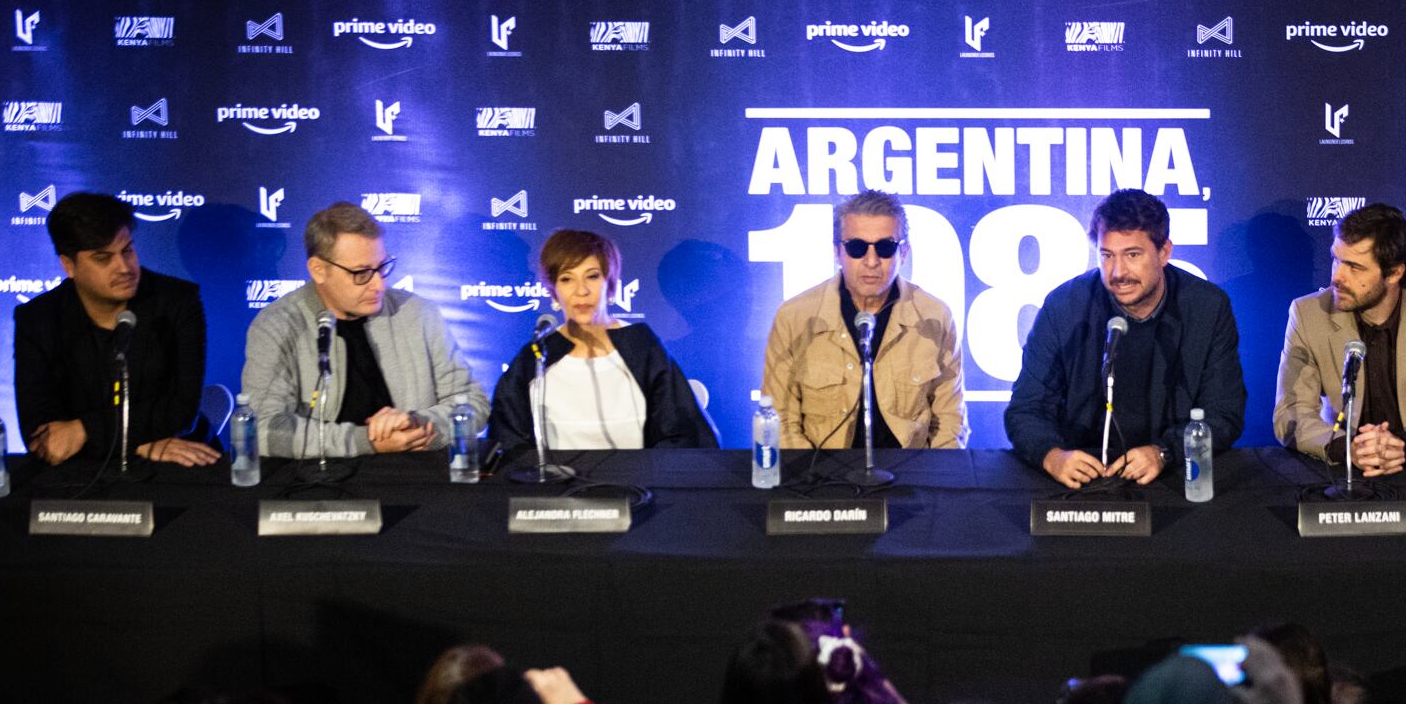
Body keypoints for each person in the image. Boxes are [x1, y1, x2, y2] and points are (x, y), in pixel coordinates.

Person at [1006, 189, 1245, 487]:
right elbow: (1026, 407)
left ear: (1164, 252)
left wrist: (1164, 452)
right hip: (1081, 473)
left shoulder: (1207, 307)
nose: (1118, 272)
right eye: (1107, 256)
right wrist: (1052, 456)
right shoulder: (1065, 306)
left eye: (1132, 255)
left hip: (1171, 473)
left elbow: (1224, 411)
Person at [240, 201, 486, 457]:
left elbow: (473, 403)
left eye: (382, 267)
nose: (378, 284)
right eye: (361, 273)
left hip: (415, 471)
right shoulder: (278, 326)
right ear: (318, 270)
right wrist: (367, 441)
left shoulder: (418, 313)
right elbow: (263, 429)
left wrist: (417, 424)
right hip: (319, 481)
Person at [1273, 202, 1406, 476]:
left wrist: (1404, 445)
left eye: (1354, 267)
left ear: (1395, 272)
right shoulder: (1308, 314)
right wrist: (1348, 449)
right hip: (1341, 470)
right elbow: (1290, 413)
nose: (1337, 276)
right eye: (1336, 259)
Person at [13, 191, 218, 466]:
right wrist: (135, 443)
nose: (124, 267)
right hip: (83, 468)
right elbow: (41, 432)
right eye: (102, 258)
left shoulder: (177, 303)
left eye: (127, 251)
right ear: (68, 266)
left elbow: (182, 410)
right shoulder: (38, 319)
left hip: (176, 459)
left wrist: (85, 430)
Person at [759, 190, 966, 450]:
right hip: (822, 475)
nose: (871, 261)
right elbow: (780, 420)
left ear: (903, 253)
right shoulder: (796, 318)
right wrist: (813, 481)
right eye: (857, 248)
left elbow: (949, 420)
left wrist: (933, 482)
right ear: (837, 252)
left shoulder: (934, 317)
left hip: (910, 474)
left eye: (885, 247)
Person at [488, 230, 716, 452]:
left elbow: (682, 435)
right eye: (567, 279)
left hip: (634, 485)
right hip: (556, 487)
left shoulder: (639, 346)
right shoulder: (537, 357)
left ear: (611, 284)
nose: (581, 290)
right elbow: (508, 441)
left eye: (592, 276)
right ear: (554, 291)